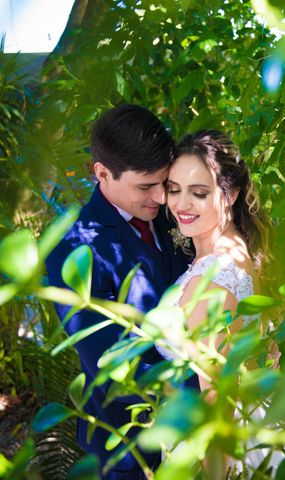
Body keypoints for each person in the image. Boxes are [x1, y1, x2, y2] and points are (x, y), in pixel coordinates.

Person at [46, 104, 197, 479]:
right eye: (146, 186)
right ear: (102, 174)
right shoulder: (73, 250)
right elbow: (108, 363)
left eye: (163, 183)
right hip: (126, 447)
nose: (161, 198)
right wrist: (209, 385)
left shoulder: (169, 212)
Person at [159, 129, 275, 473]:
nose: (181, 204)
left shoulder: (209, 282)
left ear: (231, 193)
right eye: (174, 189)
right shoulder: (240, 247)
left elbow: (217, 401)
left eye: (198, 193)